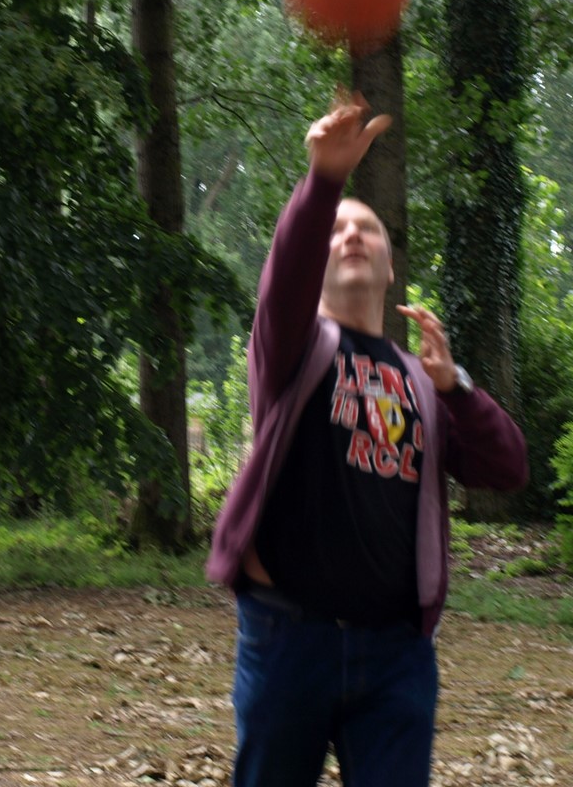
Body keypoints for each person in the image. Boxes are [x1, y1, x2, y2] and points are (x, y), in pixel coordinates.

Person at [207, 90, 530, 787]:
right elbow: (284, 282)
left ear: (390, 267)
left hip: (395, 656)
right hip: (288, 639)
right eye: (335, 230)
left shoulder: (422, 380)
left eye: (368, 230)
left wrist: (457, 389)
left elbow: (507, 468)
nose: (351, 236)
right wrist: (324, 181)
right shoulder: (291, 349)